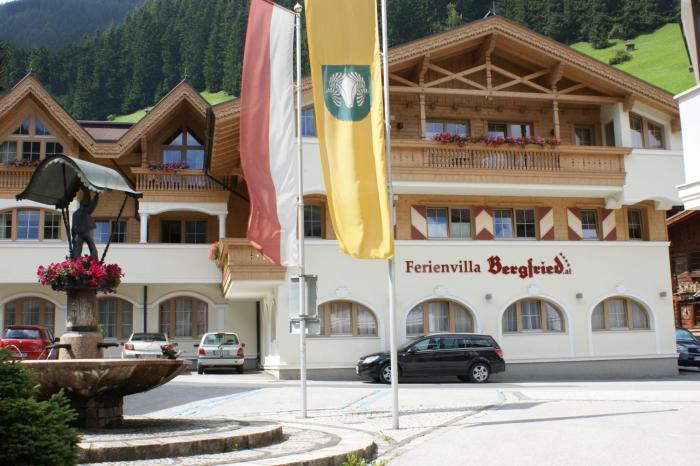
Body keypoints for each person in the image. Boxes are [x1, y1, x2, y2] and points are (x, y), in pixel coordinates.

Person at [71, 187, 99, 259]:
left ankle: (76, 261)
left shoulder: (76, 213)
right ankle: (94, 261)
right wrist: (96, 196)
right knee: (92, 247)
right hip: (86, 231)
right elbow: (93, 205)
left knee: (78, 247)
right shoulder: (86, 211)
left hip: (80, 232)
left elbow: (73, 227)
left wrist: (73, 237)